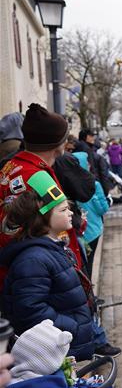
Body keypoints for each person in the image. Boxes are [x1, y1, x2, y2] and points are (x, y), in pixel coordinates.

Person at [0, 173, 118, 359]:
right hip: (57, 350)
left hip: (64, 347)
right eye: (63, 210)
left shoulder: (50, 248)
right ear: (43, 219)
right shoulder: (32, 261)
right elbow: (31, 312)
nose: (71, 212)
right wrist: (74, 327)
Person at [0, 104, 86, 280]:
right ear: (56, 144)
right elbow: (61, 229)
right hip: (48, 274)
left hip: (19, 270)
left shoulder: (13, 165)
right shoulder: (38, 179)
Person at [72, 151, 110, 279]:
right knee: (89, 264)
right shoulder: (94, 184)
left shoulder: (68, 186)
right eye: (86, 161)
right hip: (93, 230)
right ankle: (90, 296)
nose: (89, 164)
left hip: (77, 232)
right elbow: (102, 209)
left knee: (81, 263)